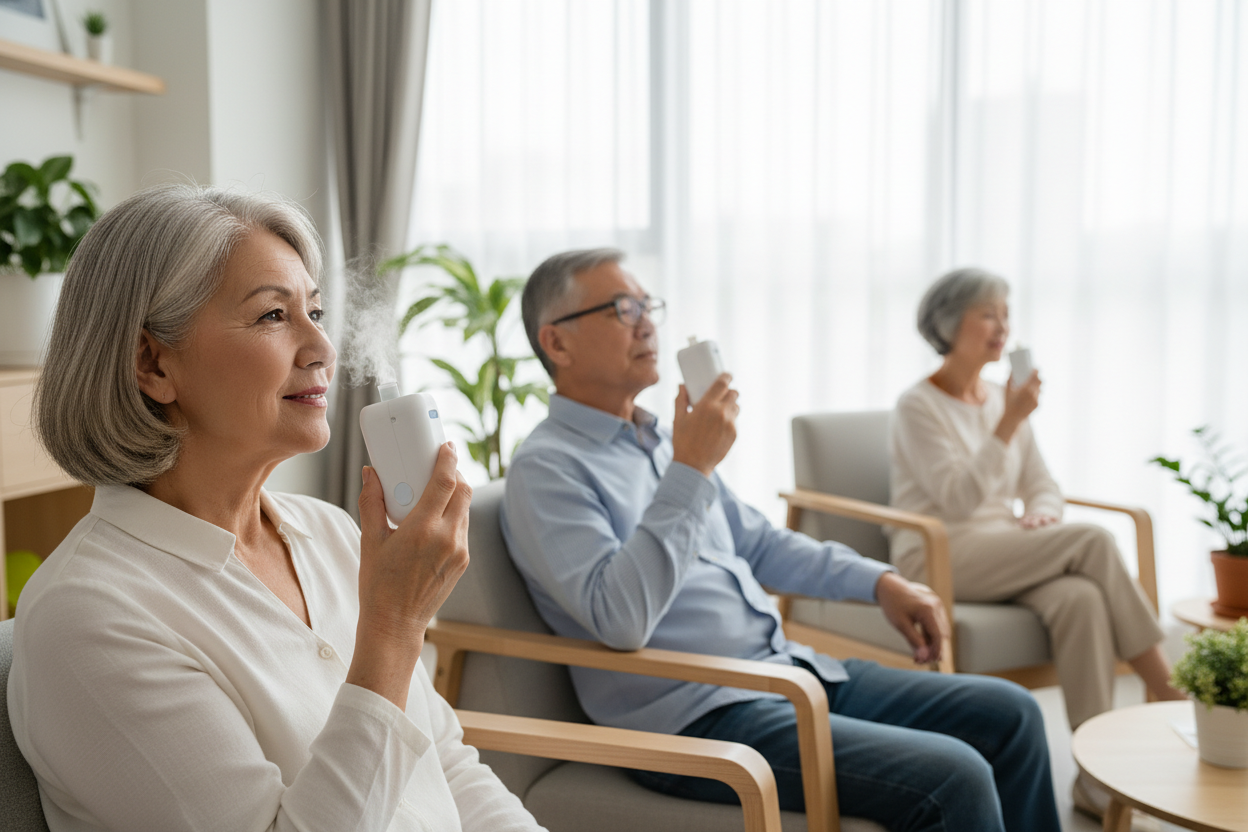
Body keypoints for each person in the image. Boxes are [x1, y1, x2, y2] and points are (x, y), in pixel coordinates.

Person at [8, 185, 545, 832]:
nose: (320, 345)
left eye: (315, 311)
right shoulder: (92, 616)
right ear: (152, 364)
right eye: (272, 316)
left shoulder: (333, 534)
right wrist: (393, 631)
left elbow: (445, 767)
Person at [501, 248, 1061, 832]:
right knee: (956, 775)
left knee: (1014, 713)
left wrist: (880, 581)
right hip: (699, 720)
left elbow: (762, 545)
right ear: (557, 344)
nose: (646, 323)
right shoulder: (548, 469)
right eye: (622, 308)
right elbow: (620, 617)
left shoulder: (662, 440)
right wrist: (691, 470)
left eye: (648, 305)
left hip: (783, 671)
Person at [889, 267, 1184, 813]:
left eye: (1006, 313)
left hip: (1004, 549)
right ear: (951, 324)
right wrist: (1008, 424)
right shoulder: (919, 406)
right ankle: (1168, 688)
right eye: (988, 314)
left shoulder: (1005, 398)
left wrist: (1044, 517)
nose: (1002, 326)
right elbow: (956, 500)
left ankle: (1096, 783)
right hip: (939, 553)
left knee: (1081, 598)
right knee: (1093, 541)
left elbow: (1043, 485)